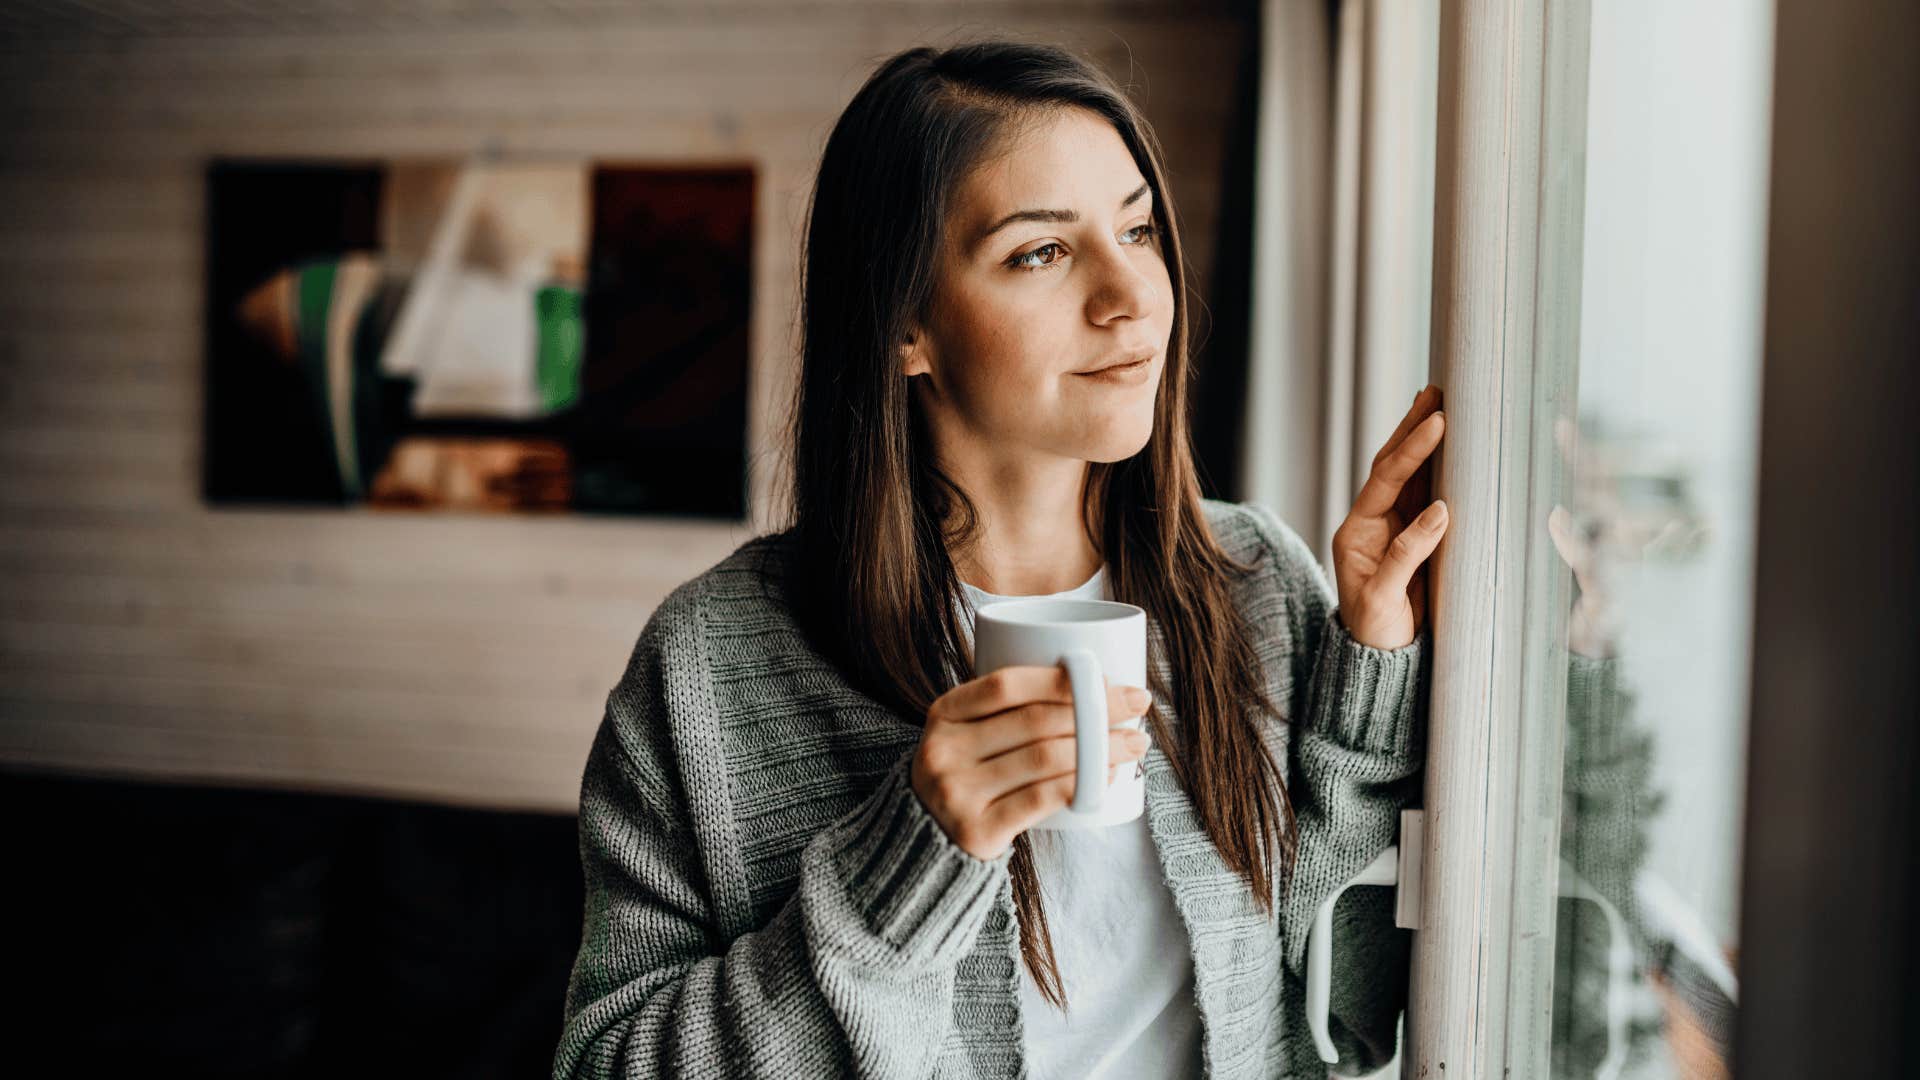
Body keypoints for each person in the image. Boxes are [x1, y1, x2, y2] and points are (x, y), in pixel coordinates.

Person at [553, 41, 1449, 1079]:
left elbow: (1360, 1017)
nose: (1133, 297)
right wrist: (912, 857)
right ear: (905, 325)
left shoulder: (1254, 583)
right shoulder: (714, 662)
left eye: (1138, 229)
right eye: (1041, 253)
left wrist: (1369, 678)